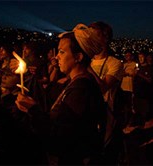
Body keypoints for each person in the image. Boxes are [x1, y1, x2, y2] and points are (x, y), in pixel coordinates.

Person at [14, 23, 107, 165]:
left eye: (62, 52)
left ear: (78, 57)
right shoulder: (73, 83)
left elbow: (62, 136)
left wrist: (33, 110)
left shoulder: (81, 89)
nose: (57, 57)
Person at [87, 21, 124, 165]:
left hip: (105, 117)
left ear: (106, 37)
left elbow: (103, 88)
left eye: (94, 35)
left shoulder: (114, 63)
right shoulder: (87, 61)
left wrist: (85, 67)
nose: (89, 39)